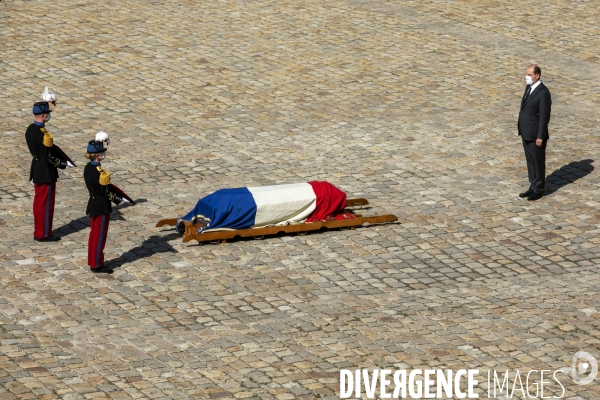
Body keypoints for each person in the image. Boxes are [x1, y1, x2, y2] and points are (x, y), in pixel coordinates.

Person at [25, 101, 70, 241]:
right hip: (45, 171)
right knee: (46, 204)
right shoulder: (44, 135)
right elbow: (47, 157)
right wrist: (62, 163)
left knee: (38, 202)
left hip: (36, 168)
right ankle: (43, 233)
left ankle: (38, 230)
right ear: (43, 115)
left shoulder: (30, 129)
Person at [84, 133, 124, 274]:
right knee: (99, 236)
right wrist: (118, 199)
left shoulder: (88, 168)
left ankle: (92, 260)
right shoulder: (99, 172)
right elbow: (105, 191)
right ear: (98, 155)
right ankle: (97, 264)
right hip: (101, 206)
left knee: (93, 235)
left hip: (93, 204)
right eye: (101, 153)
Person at [518, 64, 552, 201]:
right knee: (530, 161)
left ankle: (539, 188)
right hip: (526, 131)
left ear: (537, 76)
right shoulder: (529, 88)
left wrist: (540, 136)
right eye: (526, 74)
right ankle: (533, 185)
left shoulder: (543, 93)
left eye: (529, 75)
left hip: (535, 134)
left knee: (537, 161)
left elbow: (544, 117)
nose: (527, 77)